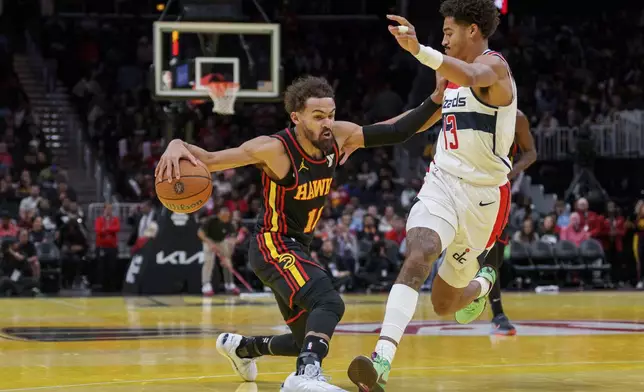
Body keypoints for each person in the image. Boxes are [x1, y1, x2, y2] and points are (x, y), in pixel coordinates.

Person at [154, 75, 442, 391]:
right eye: (318, 117)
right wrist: (175, 144)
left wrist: (438, 101)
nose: (328, 123)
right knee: (329, 303)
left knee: (305, 338)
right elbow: (208, 160)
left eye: (331, 115)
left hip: (297, 246)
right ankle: (305, 376)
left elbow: (397, 130)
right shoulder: (273, 150)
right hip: (271, 244)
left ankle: (242, 347)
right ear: (297, 117)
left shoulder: (340, 137)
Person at [347, 2, 520, 389]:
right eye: (441, 33)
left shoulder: (493, 68)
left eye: (449, 32)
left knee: (445, 304)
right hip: (442, 181)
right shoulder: (451, 78)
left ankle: (484, 281)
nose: (443, 38)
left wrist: (421, 51)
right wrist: (361, 136)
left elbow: (472, 73)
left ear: (473, 31)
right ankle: (382, 360)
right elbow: (418, 119)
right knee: (420, 250)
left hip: (484, 198)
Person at [425, 109, 536, 335]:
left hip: (497, 194)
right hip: (465, 193)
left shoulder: (518, 118)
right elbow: (441, 150)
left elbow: (530, 153)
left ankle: (490, 305)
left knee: (493, 259)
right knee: (472, 253)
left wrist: (509, 173)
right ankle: (486, 302)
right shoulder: (465, 111)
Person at [197, 206, 238, 296]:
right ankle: (206, 284)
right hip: (208, 240)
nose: (226, 218)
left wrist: (227, 257)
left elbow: (232, 241)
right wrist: (210, 244)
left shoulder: (230, 224)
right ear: (219, 215)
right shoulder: (211, 220)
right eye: (224, 215)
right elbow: (200, 233)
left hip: (221, 241)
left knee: (227, 262)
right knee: (209, 261)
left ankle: (229, 284)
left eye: (227, 216)